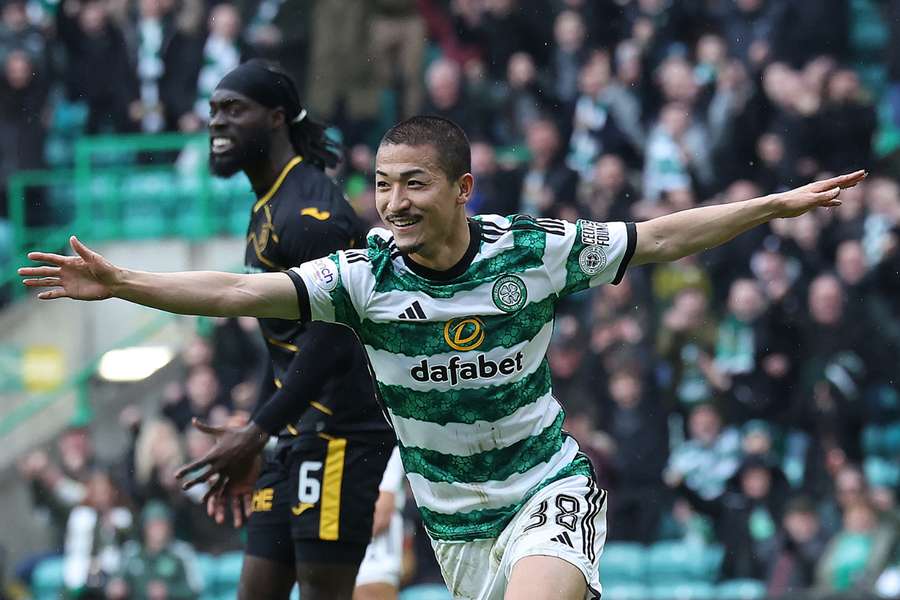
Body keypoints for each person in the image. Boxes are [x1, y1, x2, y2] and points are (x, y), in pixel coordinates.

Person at [19, 115, 866, 600]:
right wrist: (124, 281)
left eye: (414, 183)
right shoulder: (362, 277)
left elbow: (658, 239)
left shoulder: (533, 250)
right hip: (454, 520)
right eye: (384, 184)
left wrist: (773, 205)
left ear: (461, 189)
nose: (393, 202)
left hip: (546, 484)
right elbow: (240, 294)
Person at [191, 60, 398, 600]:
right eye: (214, 110)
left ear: (276, 117)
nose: (217, 122)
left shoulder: (312, 213)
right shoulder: (269, 203)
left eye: (234, 109)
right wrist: (262, 433)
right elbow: (284, 343)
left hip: (341, 435)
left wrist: (257, 430)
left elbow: (334, 337)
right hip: (291, 435)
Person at [354, 447, 405, 600]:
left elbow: (380, 514)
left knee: (371, 591)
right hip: (339, 539)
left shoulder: (383, 436)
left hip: (373, 551)